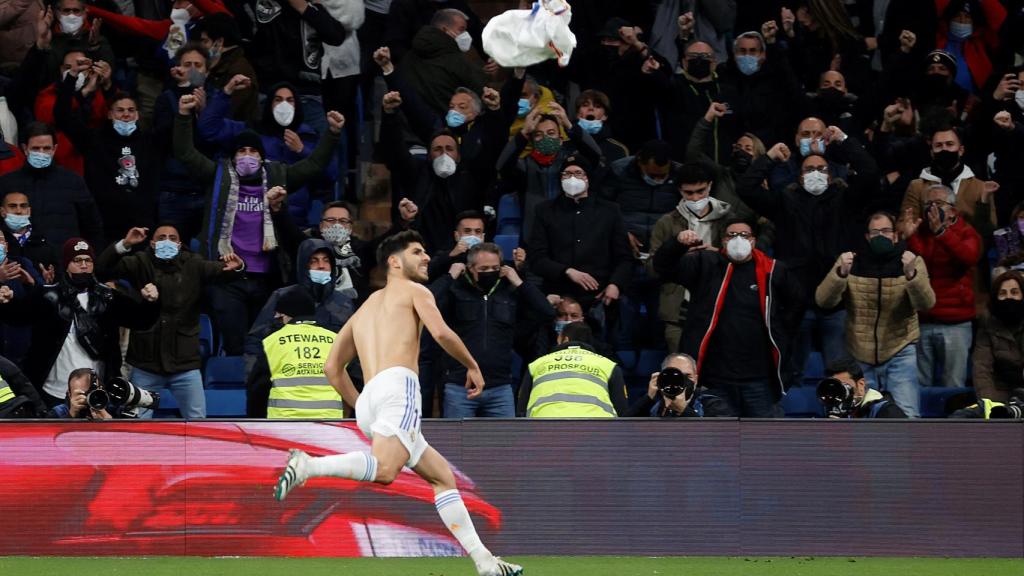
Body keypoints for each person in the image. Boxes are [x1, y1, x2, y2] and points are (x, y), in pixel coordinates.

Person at [274, 230, 523, 576]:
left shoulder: (364, 308)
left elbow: (332, 368)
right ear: (394, 261)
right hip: (397, 387)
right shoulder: (415, 291)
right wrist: (472, 365)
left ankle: (486, 563)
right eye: (418, 252)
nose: (425, 258)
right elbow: (441, 333)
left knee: (443, 479)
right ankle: (309, 467)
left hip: (371, 398)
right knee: (387, 470)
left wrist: (363, 405)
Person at [173, 93, 343, 355]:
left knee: (266, 348)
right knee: (235, 346)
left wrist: (331, 134)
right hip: (227, 278)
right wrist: (184, 116)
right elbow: (185, 153)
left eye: (253, 151)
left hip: (268, 278)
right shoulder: (218, 176)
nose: (247, 155)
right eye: (241, 151)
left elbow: (313, 165)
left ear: (262, 157)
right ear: (233, 157)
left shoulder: (278, 176)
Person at [653, 219, 802, 417]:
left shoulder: (773, 270)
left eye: (744, 235)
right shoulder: (704, 263)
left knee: (763, 441)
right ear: (722, 241)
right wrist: (678, 243)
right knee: (717, 441)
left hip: (760, 380)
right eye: (731, 235)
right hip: (715, 379)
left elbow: (797, 303)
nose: (738, 239)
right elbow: (663, 267)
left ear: (754, 241)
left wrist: (780, 331)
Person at [97, 224, 245, 419]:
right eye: (161, 238)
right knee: (136, 426)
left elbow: (226, 271)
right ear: (152, 243)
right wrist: (125, 243)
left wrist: (238, 266)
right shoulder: (139, 262)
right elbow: (102, 270)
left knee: (198, 422)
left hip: (185, 366)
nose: (167, 241)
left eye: (172, 238)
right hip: (145, 364)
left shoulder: (194, 264)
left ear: (179, 244)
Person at [815, 212, 936, 418]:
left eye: (886, 231)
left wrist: (911, 275)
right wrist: (841, 274)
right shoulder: (851, 261)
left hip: (900, 347)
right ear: (867, 237)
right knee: (858, 417)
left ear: (896, 235)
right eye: (875, 232)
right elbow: (823, 301)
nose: (881, 235)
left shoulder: (912, 261)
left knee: (908, 416)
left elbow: (926, 304)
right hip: (860, 352)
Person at [24, 238, 159, 407]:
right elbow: (17, 316)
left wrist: (151, 302)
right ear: (66, 264)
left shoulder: (108, 297)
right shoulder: (47, 296)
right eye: (77, 260)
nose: (84, 264)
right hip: (52, 391)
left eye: (88, 260)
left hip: (97, 394)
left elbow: (142, 321)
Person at [432, 242, 554, 418]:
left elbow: (547, 311)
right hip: (460, 386)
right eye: (484, 268)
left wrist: (519, 282)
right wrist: (450, 277)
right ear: (470, 268)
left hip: (500, 387)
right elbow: (427, 303)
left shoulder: (509, 292)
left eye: (495, 267)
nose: (490, 272)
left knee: (504, 444)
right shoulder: (455, 291)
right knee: (457, 444)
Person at [647, 162, 740, 352]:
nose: (696, 198)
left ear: (710, 186)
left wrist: (717, 254)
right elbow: (651, 268)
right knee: (681, 371)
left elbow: (743, 262)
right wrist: (676, 254)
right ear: (680, 191)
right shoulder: (666, 223)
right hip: (678, 311)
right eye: (689, 193)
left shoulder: (730, 220)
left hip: (720, 307)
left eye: (701, 191)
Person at [528, 155, 632, 313]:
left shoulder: (609, 211)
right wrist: (567, 271)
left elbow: (624, 257)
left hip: (599, 295)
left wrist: (615, 284)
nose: (572, 178)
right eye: (567, 174)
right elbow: (537, 258)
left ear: (588, 178)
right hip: (558, 293)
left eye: (578, 173)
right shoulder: (545, 211)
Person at [904, 184, 982, 389]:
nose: (931, 208)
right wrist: (909, 237)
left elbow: (968, 257)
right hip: (923, 319)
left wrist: (942, 233)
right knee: (920, 384)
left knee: (953, 385)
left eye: (938, 203)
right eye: (927, 204)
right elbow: (919, 267)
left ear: (953, 210)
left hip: (956, 323)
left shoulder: (967, 232)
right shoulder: (919, 232)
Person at [243, 238, 355, 373]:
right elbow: (257, 341)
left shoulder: (344, 303)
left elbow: (356, 348)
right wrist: (255, 381)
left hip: (332, 384)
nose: (321, 266)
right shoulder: (283, 297)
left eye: (326, 260)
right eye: (314, 261)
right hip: (288, 378)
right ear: (303, 265)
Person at [0, 121, 104, 248]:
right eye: (36, 148)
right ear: (25, 149)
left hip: (63, 261)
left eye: (46, 148)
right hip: (21, 262)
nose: (41, 153)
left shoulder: (73, 181)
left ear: (54, 149)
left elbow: (92, 226)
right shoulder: (7, 183)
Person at [246, 286, 342, 419]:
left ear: (286, 314)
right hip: (331, 421)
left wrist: (256, 421)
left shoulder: (273, 341)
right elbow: (353, 381)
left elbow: (258, 389)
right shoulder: (335, 339)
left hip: (284, 423)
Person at [517, 321, 628, 418]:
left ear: (563, 339)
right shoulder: (609, 366)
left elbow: (521, 411)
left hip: (543, 431)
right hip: (596, 432)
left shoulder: (536, 365)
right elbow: (622, 412)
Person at [973, 270, 1024, 403]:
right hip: (1000, 391)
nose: (1008, 297)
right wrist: (990, 404)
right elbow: (982, 369)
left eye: (1014, 292)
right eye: (1002, 293)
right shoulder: (987, 322)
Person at [820, 358, 908, 418]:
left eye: (845, 387)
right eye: (836, 388)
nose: (841, 393)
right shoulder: (834, 412)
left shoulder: (886, 412)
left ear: (861, 384)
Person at [45, 367, 114, 419]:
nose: (88, 397)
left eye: (92, 393)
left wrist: (109, 422)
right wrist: (71, 415)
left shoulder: (112, 409)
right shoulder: (58, 413)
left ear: (101, 389)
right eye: (82, 394)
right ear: (69, 394)